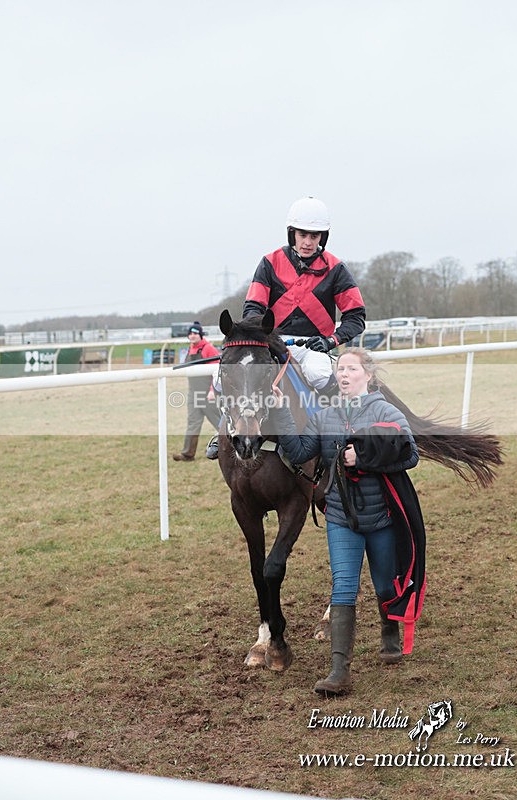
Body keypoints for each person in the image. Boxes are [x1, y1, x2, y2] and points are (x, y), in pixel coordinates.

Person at [271, 348, 425, 696]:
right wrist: (280, 413)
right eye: (339, 368)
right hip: (341, 516)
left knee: (385, 585)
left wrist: (365, 458)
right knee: (343, 586)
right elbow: (297, 452)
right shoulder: (324, 416)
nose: (343, 374)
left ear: (367, 375)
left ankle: (389, 630)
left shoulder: (386, 411)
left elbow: (410, 455)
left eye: (350, 368)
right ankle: (339, 671)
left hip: (382, 518)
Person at [206, 196, 366, 460]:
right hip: (272, 343)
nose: (308, 242)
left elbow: (356, 316)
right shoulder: (270, 262)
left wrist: (330, 341)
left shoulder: (336, 269)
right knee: (221, 377)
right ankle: (224, 432)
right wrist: (260, 338)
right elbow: (253, 309)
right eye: (303, 235)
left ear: (322, 238)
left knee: (318, 373)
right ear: (292, 234)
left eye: (315, 236)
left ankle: (340, 433)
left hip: (313, 345)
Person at [173, 322, 221, 462]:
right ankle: (188, 454)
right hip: (193, 394)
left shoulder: (208, 348)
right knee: (193, 423)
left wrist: (212, 391)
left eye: (195, 333)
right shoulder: (190, 349)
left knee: (220, 423)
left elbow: (216, 372)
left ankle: (234, 448)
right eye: (190, 333)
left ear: (200, 335)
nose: (192, 336)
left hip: (208, 395)